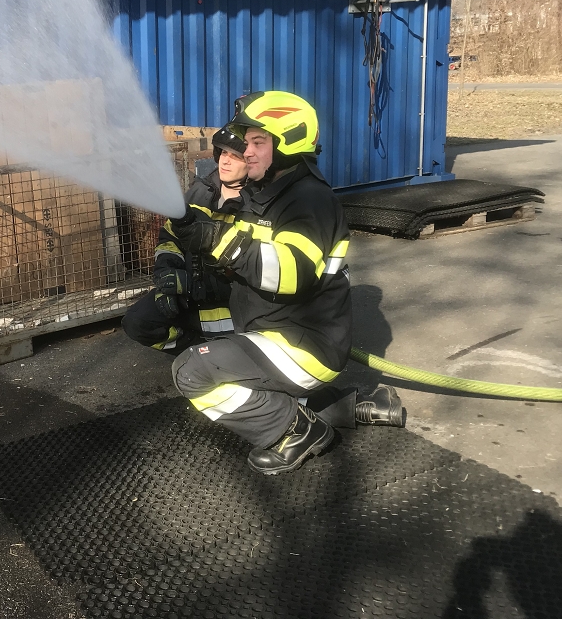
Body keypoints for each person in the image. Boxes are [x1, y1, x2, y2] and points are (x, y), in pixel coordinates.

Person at [168, 91, 403, 476]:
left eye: (258, 143)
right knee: (194, 335)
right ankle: (344, 405)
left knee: (192, 371)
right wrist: (197, 227)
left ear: (289, 144)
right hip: (275, 332)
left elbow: (289, 274)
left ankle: (296, 430)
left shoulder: (309, 201)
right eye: (244, 142)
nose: (246, 152)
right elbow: (239, 240)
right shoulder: (263, 193)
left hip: (304, 345)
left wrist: (214, 239)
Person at [122, 125, 249, 353]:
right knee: (138, 322)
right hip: (191, 294)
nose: (225, 161)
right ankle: (195, 351)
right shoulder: (199, 192)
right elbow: (170, 236)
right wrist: (167, 276)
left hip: (233, 303)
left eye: (236, 156)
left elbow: (250, 265)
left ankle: (220, 356)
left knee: (237, 343)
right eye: (223, 153)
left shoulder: (257, 205)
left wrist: (196, 283)